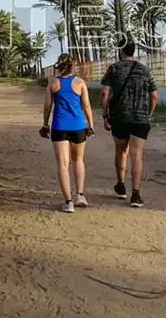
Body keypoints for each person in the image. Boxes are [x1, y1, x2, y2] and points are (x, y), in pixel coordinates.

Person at [100, 35, 158, 208]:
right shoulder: (145, 70)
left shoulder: (114, 69)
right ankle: (136, 195)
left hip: (119, 118)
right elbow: (154, 96)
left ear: (120, 51)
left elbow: (104, 93)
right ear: (134, 52)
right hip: (140, 119)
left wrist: (105, 115)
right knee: (137, 155)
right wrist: (148, 113)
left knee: (121, 150)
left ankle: (121, 186)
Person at [40, 53, 95, 213]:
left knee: (63, 164)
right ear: (72, 66)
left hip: (59, 126)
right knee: (78, 160)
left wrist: (45, 124)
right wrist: (90, 124)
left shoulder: (53, 83)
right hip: (78, 126)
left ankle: (68, 202)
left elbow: (47, 106)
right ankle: (80, 195)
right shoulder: (80, 82)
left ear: (59, 65)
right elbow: (86, 105)